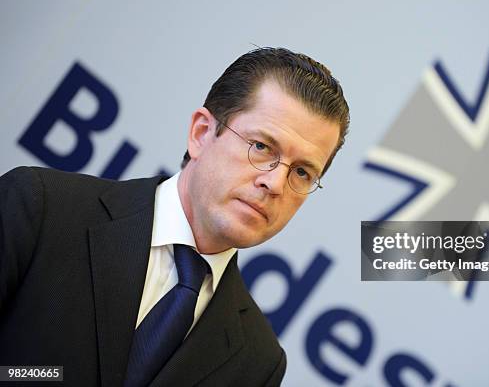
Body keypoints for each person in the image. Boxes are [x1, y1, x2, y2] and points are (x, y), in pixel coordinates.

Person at [0, 47, 350, 386]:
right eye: (261, 147)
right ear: (200, 134)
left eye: (302, 172)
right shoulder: (41, 208)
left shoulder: (259, 362)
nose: (275, 183)